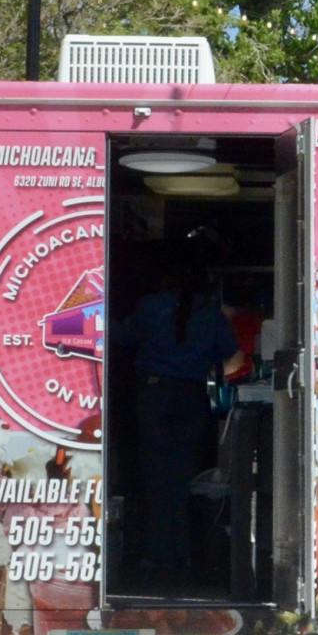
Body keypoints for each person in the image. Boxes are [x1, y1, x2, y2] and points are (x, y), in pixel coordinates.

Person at [111, 238, 238, 589]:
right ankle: (181, 555)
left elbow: (119, 336)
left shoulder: (151, 306)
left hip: (153, 395)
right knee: (181, 480)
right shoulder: (210, 313)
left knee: (155, 478)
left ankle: (156, 554)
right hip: (191, 398)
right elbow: (232, 353)